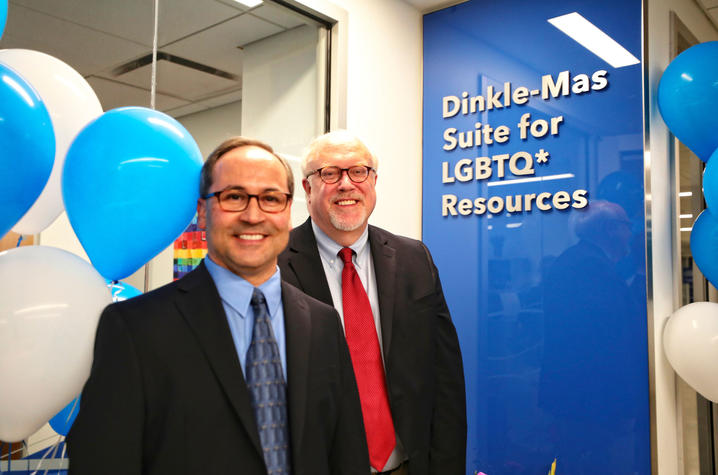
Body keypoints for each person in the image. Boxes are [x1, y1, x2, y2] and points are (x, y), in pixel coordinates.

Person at [67, 137, 369, 475]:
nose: (253, 216)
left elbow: (347, 456)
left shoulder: (322, 323)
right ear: (202, 210)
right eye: (234, 197)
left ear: (286, 211)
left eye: (270, 198)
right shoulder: (135, 329)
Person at [278, 130, 466, 475]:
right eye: (330, 173)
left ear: (374, 180)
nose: (346, 184)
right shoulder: (272, 266)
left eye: (359, 171)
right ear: (307, 188)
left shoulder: (415, 259)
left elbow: (445, 379)